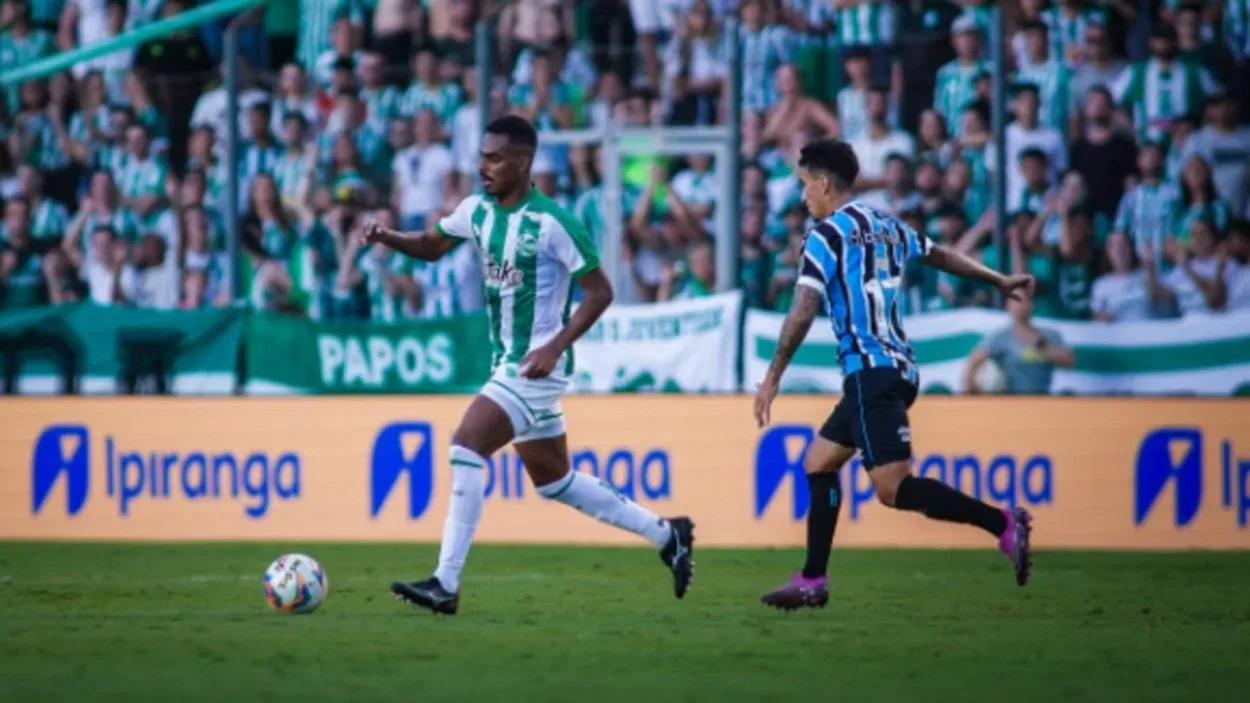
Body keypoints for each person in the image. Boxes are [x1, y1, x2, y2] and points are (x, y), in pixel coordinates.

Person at [362, 115, 695, 615]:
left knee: (466, 446)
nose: (483, 166)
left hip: (536, 365)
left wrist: (556, 345)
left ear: (522, 163)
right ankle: (668, 535)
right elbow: (433, 245)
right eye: (482, 156)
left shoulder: (553, 223)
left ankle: (445, 584)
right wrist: (387, 235)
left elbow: (600, 291)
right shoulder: (476, 211)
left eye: (495, 158)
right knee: (554, 480)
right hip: (510, 361)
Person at [752, 139, 1035, 611]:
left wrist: (773, 375)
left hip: (870, 371)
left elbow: (803, 309)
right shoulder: (885, 224)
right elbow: (939, 253)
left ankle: (1004, 524)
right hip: (897, 367)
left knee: (892, 488)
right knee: (817, 463)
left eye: (804, 185)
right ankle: (812, 579)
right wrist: (997, 279)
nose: (802, 196)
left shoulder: (824, 236)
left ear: (823, 183)